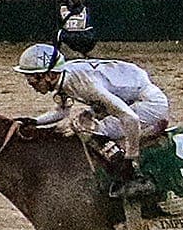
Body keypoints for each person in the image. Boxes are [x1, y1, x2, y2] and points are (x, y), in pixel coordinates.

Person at [15, 42, 174, 197]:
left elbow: (130, 118)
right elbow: (61, 112)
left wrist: (130, 156)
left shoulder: (84, 84)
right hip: (132, 96)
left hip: (149, 104)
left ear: (50, 75)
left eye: (33, 78)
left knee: (88, 127)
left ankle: (134, 177)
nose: (30, 83)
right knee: (81, 121)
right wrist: (35, 121)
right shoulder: (65, 78)